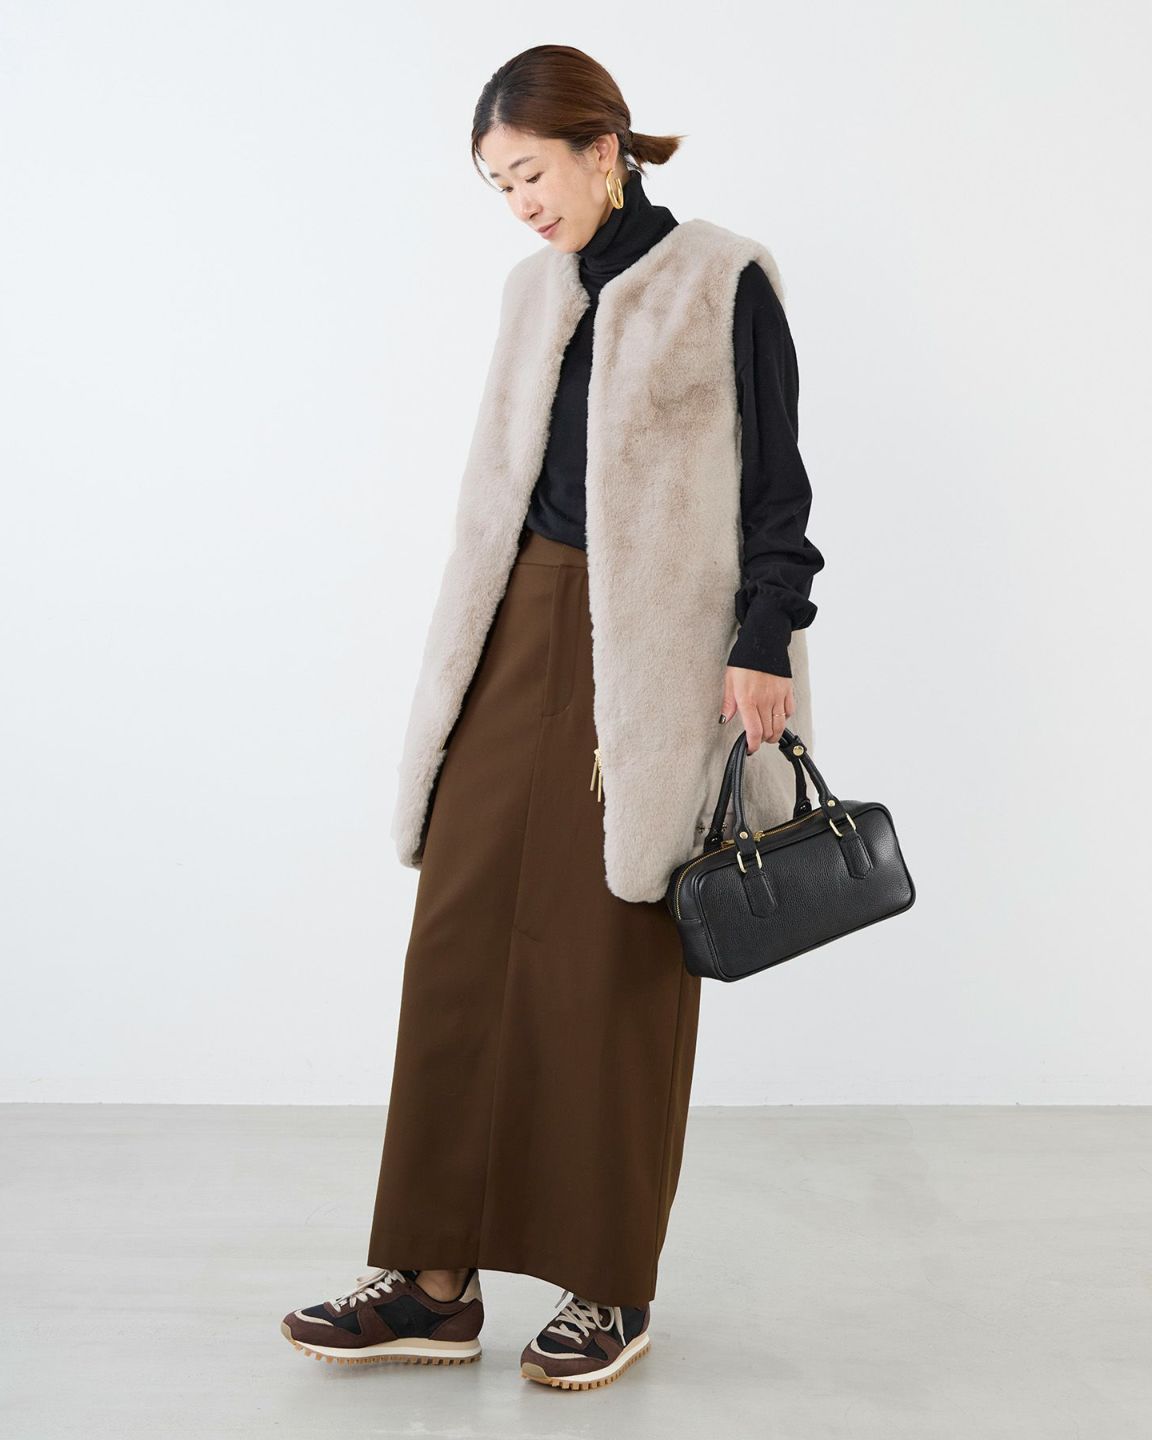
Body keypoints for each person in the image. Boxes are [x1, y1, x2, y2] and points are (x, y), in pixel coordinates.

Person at [280, 43, 825, 1392]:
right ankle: (432, 1281)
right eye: (499, 184)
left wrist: (764, 638)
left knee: (615, 959)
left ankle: (608, 1285)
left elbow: (778, 482)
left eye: (531, 172)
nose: (520, 202)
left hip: (660, 650)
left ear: (604, 148)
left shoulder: (723, 277)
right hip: (517, 620)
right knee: (459, 938)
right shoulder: (531, 291)